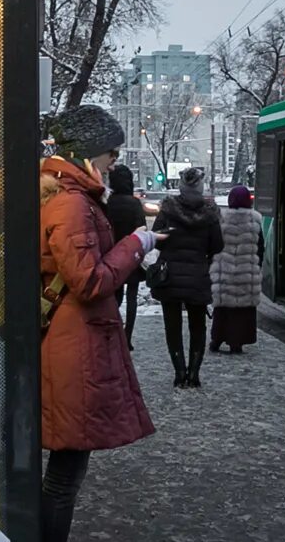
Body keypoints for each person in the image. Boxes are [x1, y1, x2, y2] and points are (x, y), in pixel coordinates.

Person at [39, 105, 163, 542]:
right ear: (85, 155)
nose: (111, 166)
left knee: (66, 470)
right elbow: (88, 281)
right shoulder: (71, 205)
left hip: (71, 345)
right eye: (108, 156)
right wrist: (138, 244)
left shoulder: (68, 199)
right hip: (74, 351)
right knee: (64, 474)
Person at [153, 167, 224, 388]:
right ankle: (194, 374)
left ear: (181, 186)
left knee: (172, 326)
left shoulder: (168, 210)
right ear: (201, 187)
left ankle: (179, 372)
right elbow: (217, 245)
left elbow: (156, 239)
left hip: (171, 276)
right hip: (197, 277)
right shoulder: (210, 214)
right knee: (197, 326)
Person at [209, 185, 264, 354]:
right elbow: (260, 247)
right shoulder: (254, 221)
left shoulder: (222, 220)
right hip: (246, 274)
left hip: (224, 272)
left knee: (222, 309)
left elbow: (213, 246)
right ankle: (237, 342)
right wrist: (255, 266)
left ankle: (217, 340)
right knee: (242, 311)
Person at [101, 164, 148, 347]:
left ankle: (115, 333)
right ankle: (127, 336)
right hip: (132, 253)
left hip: (113, 255)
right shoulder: (134, 204)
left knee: (115, 297)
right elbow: (141, 229)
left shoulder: (107, 203)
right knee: (132, 297)